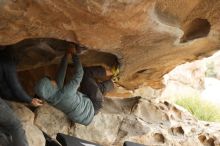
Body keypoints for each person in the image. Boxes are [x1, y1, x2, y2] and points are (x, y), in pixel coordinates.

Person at [34, 47, 116, 126]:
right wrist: (74, 54)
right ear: (51, 86)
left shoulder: (52, 97)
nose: (52, 79)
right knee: (86, 73)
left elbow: (60, 75)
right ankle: (113, 73)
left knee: (93, 87)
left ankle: (112, 83)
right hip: (94, 105)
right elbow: (79, 74)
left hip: (84, 112)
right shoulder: (66, 93)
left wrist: (66, 55)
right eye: (50, 80)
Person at [0, 47, 43, 146]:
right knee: (15, 125)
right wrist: (30, 100)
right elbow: (15, 87)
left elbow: (6, 91)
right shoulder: (7, 61)